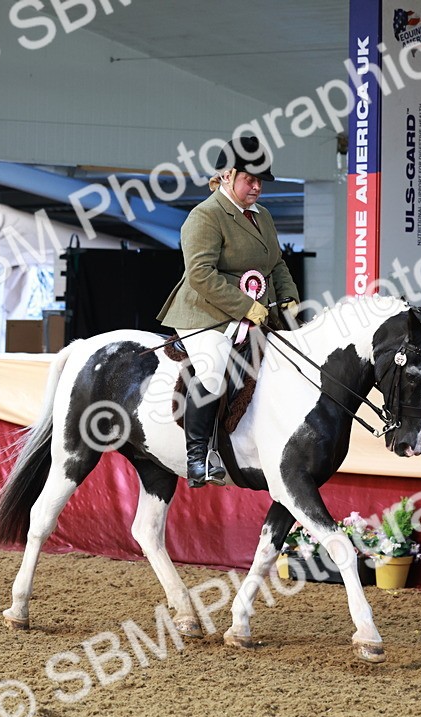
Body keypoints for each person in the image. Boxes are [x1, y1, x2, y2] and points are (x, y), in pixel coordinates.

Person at [157, 136, 301, 488]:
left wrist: (289, 298)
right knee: (213, 370)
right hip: (206, 314)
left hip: (256, 311)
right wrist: (245, 306)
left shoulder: (262, 216)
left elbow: (276, 263)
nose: (256, 187)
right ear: (226, 176)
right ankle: (197, 458)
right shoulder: (205, 216)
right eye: (249, 179)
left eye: (260, 181)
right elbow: (201, 275)